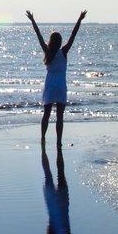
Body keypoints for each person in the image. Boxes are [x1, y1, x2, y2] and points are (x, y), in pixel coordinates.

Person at [25, 9, 86, 148]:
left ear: (51, 41)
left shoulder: (48, 52)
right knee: (60, 116)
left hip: (50, 86)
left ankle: (43, 138)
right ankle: (58, 141)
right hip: (60, 87)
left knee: (46, 114)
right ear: (59, 42)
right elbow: (73, 34)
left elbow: (39, 35)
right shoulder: (64, 51)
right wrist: (80, 19)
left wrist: (33, 20)